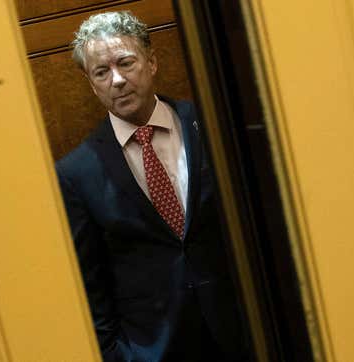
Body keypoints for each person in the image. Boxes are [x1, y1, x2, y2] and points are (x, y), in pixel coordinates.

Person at [55, 11, 249, 362]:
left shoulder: (212, 124)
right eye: (102, 72)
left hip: (247, 333)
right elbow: (90, 285)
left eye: (126, 63)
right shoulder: (76, 173)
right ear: (91, 83)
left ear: (152, 61)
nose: (117, 80)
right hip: (154, 350)